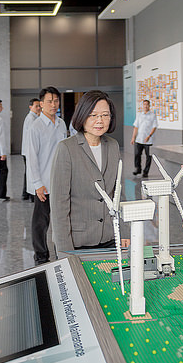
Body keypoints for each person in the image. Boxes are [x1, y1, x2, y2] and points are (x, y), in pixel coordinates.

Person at [50, 91, 122, 253]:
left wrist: (121, 233)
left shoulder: (113, 146)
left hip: (110, 238)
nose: (100, 120)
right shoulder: (66, 148)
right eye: (93, 115)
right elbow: (59, 205)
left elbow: (116, 195)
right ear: (82, 116)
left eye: (105, 115)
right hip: (78, 241)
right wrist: (65, 252)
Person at [27, 87, 67, 265]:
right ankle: (41, 255)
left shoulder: (61, 123)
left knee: (61, 221)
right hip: (44, 183)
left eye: (56, 101)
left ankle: (62, 253)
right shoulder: (35, 127)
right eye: (49, 101)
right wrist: (37, 183)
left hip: (61, 181)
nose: (53, 104)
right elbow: (32, 157)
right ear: (41, 104)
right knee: (41, 223)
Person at [131, 99, 158, 177]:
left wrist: (149, 136)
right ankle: (138, 169)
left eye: (147, 104)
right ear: (142, 105)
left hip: (148, 140)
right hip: (139, 139)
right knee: (137, 155)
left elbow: (154, 127)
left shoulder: (153, 115)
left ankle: (146, 172)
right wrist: (133, 137)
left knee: (148, 156)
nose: (145, 106)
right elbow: (136, 127)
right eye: (144, 104)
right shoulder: (139, 115)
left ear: (149, 106)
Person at [21, 98, 41, 202]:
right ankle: (31, 194)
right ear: (30, 107)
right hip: (29, 151)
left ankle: (26, 194)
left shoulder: (33, 118)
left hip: (27, 150)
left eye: (39, 106)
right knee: (31, 172)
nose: (38, 108)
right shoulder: (31, 119)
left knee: (28, 172)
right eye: (36, 106)